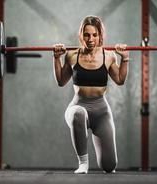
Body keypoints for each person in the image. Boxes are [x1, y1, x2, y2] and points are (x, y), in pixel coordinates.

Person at [53, 15, 129, 174]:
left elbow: (120, 80)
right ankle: (83, 163)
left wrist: (125, 59)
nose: (90, 39)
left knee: (109, 166)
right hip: (78, 106)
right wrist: (56, 58)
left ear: (100, 35)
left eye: (94, 34)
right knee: (78, 114)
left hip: (101, 112)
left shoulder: (108, 56)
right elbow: (61, 81)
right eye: (87, 34)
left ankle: (106, 162)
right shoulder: (72, 55)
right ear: (81, 35)